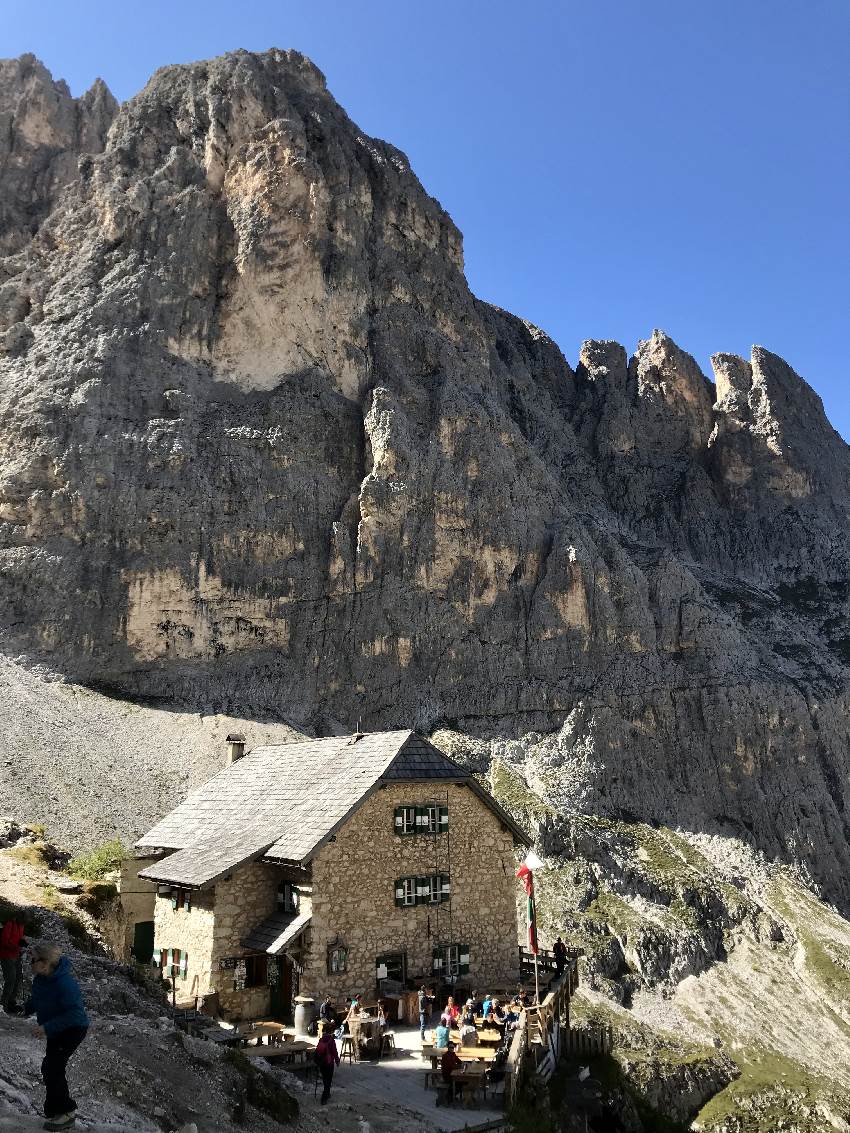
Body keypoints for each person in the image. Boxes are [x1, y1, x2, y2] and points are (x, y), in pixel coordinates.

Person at [23, 942, 89, 1131]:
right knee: (50, 1067)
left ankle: (67, 1113)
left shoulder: (64, 983)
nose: (30, 962)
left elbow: (76, 1014)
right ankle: (54, 1111)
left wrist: (46, 1028)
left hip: (72, 1029)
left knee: (52, 1067)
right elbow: (38, 999)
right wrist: (25, 1008)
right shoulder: (40, 979)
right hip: (55, 1029)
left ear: (45, 963)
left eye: (33, 959)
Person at [0, 914, 27, 1013]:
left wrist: (22, 943)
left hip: (16, 955)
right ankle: (3, 1004)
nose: (25, 922)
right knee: (11, 979)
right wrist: (17, 945)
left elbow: (18, 939)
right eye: (24, 920)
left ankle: (11, 1002)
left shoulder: (21, 925)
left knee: (18, 978)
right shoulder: (10, 924)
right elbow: (4, 941)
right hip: (6, 955)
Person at [314, 1021, 341, 1104]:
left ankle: (327, 1093)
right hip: (329, 1063)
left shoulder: (321, 1039)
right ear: (332, 1031)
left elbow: (318, 1050)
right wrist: (337, 1061)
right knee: (328, 1081)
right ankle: (324, 1098)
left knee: (325, 1079)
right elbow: (334, 1052)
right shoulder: (331, 1040)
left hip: (321, 1062)